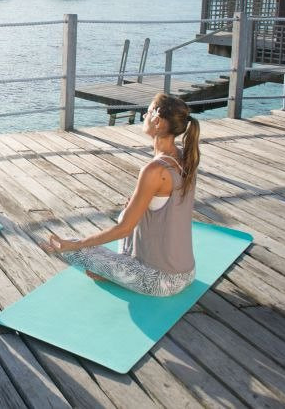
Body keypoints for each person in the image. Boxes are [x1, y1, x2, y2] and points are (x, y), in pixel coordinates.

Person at [41, 93, 200, 296]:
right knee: (127, 212)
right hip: (187, 273)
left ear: (158, 122)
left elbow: (124, 230)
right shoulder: (185, 157)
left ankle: (115, 272)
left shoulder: (154, 170)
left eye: (148, 112)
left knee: (70, 247)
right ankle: (117, 270)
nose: (144, 116)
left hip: (161, 281)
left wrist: (76, 244)